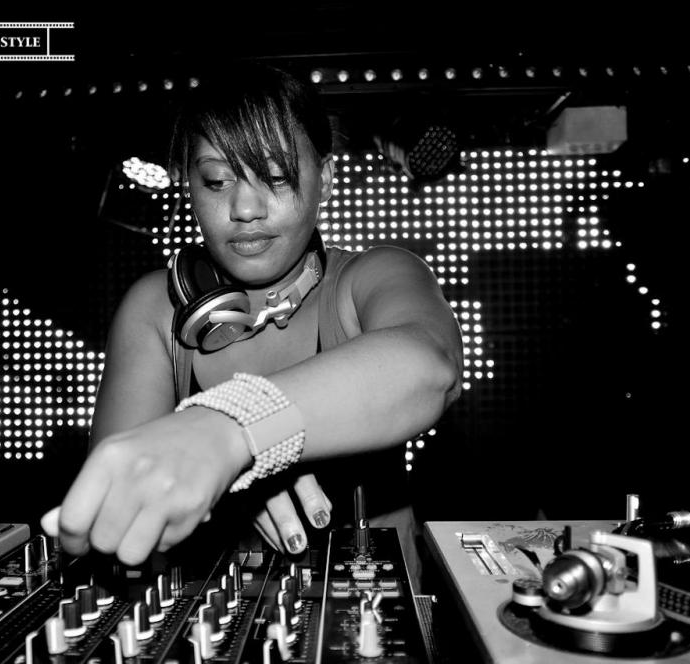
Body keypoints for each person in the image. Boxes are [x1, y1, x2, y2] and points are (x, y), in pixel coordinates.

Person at [42, 63, 463, 572]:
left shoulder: (374, 276)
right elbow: (115, 515)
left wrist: (233, 431)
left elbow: (431, 369)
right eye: (217, 180)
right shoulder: (155, 309)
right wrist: (237, 487)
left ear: (325, 180)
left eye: (276, 175)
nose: (244, 207)